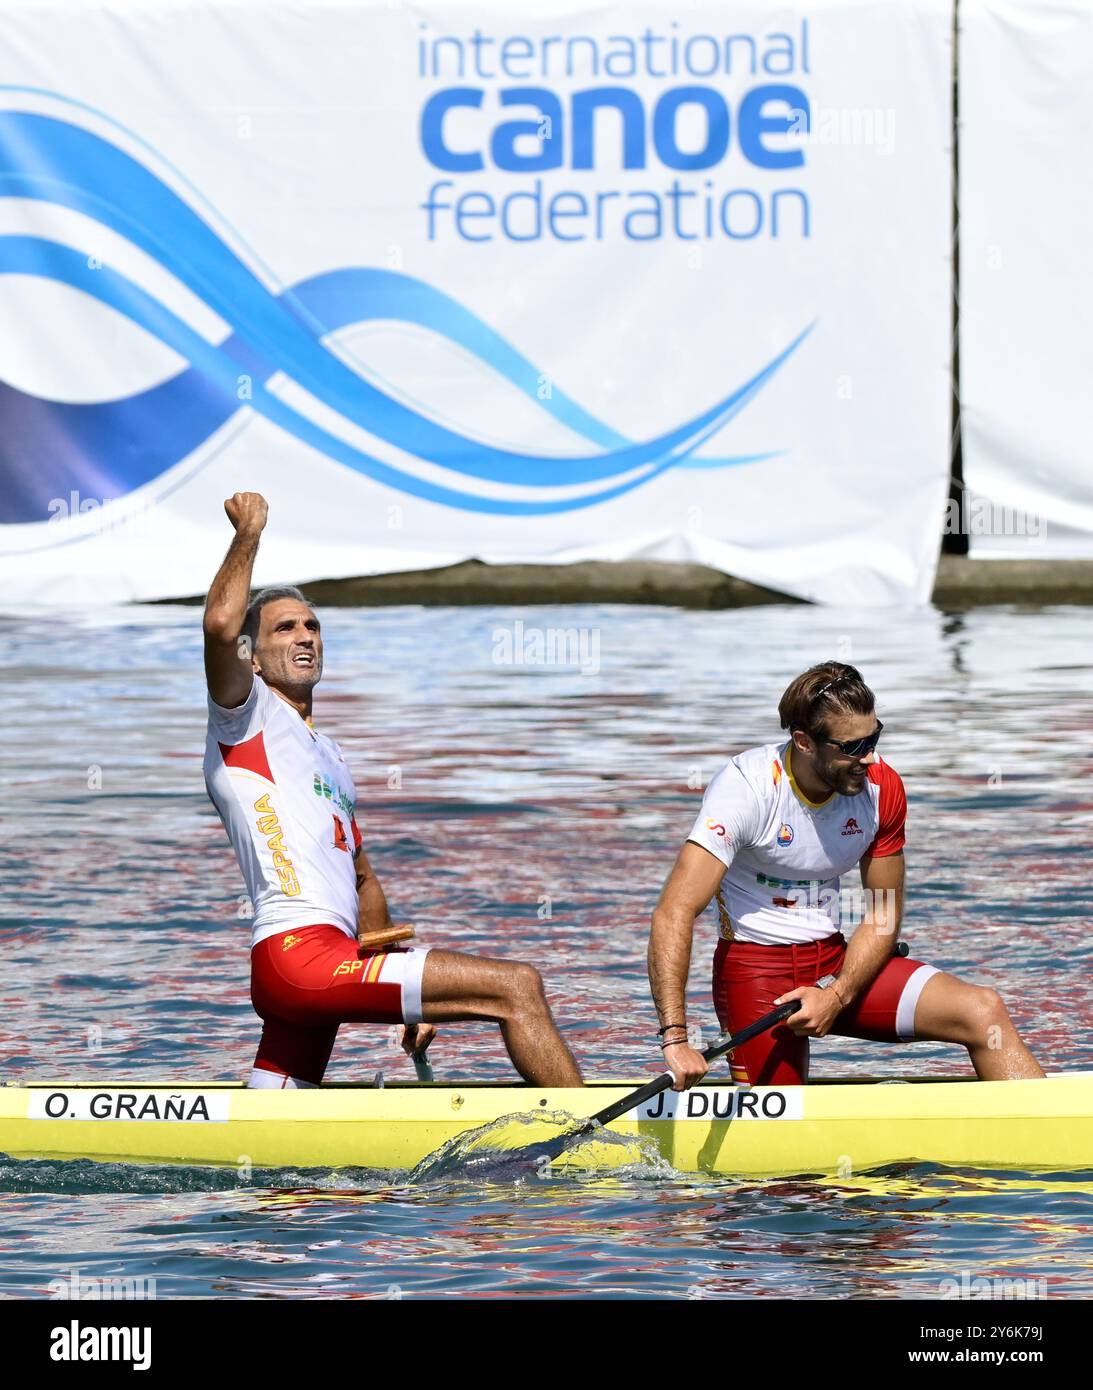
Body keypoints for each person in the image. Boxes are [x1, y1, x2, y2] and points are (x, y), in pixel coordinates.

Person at [202, 491, 583, 1089]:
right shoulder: (243, 719)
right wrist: (249, 532)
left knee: (269, 1133)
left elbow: (361, 876)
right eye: (284, 628)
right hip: (296, 955)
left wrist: (398, 989)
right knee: (518, 986)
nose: (305, 636)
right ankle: (592, 1154)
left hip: (323, 965)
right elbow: (221, 626)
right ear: (251, 655)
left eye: (312, 625)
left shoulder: (327, 753)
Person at [649, 662, 1044, 1089]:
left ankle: (1053, 1130)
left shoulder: (882, 788)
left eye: (874, 738)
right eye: (853, 747)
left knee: (982, 1010)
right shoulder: (745, 790)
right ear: (804, 742)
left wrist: (836, 995)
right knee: (785, 1122)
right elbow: (675, 913)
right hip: (756, 975)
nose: (869, 757)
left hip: (837, 965)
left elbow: (884, 914)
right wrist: (676, 1038)